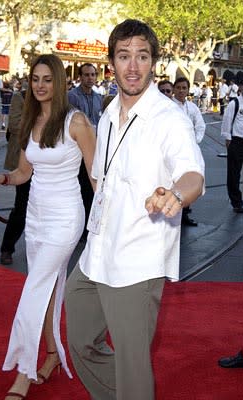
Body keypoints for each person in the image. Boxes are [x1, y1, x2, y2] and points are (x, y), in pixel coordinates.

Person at [65, 19, 204, 400]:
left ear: (153, 62)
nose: (132, 66)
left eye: (141, 56)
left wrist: (176, 193)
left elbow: (193, 174)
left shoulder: (169, 118)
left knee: (132, 365)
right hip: (97, 251)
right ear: (112, 62)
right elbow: (101, 177)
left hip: (137, 260)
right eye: (124, 56)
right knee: (81, 340)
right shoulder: (109, 113)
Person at [0, 54, 96, 400]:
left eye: (47, 79)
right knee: (46, 287)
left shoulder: (76, 122)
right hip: (35, 217)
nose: (40, 85)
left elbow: (97, 178)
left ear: (59, 82)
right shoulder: (31, 121)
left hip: (65, 219)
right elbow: (24, 173)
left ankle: (23, 371)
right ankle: (51, 354)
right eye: (35, 79)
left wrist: (105, 224)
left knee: (34, 288)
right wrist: (3, 178)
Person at [68, 63, 103, 241]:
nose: (90, 78)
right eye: (87, 75)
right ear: (80, 77)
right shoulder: (72, 97)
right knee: (80, 190)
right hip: (76, 151)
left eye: (93, 74)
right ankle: (78, 229)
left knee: (92, 189)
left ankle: (89, 228)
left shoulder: (98, 98)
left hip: (94, 150)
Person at [0, 83, 29, 266]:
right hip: (24, 159)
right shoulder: (21, 97)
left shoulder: (57, 99)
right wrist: (41, 123)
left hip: (47, 162)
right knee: (21, 207)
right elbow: (15, 124)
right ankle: (7, 248)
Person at [173, 76, 206, 226]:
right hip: (172, 149)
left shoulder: (192, 107)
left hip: (188, 151)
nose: (181, 91)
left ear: (188, 90)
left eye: (184, 88)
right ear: (174, 89)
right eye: (178, 87)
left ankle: (185, 214)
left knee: (187, 181)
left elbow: (200, 126)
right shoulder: (167, 106)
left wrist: (195, 141)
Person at [221, 80, 243, 213]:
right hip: (237, 141)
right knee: (234, 174)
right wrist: (228, 138)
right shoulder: (235, 103)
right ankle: (236, 202)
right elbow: (227, 121)